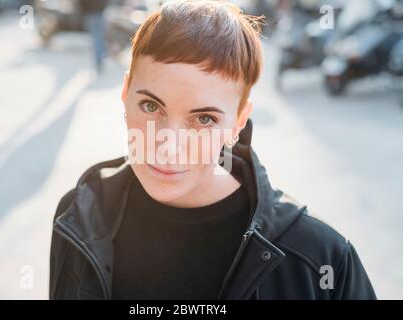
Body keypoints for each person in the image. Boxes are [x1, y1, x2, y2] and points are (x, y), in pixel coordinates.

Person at [49, 0, 376, 300]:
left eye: (203, 118)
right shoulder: (79, 215)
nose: (168, 145)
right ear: (125, 93)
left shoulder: (320, 258)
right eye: (150, 106)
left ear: (239, 121)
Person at [80, 0, 109, 73]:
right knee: (99, 37)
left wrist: (83, 10)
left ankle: (99, 60)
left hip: (91, 13)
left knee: (95, 38)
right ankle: (100, 59)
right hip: (98, 12)